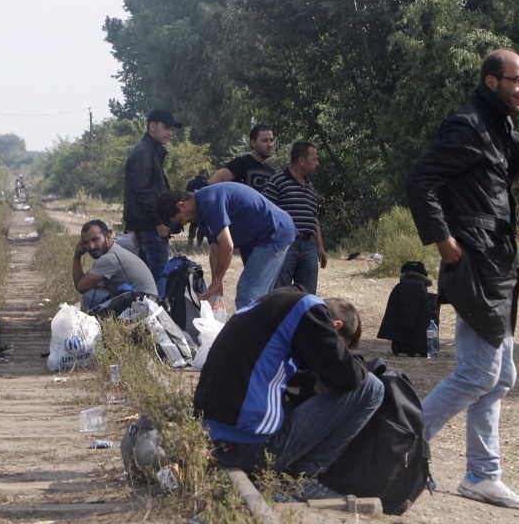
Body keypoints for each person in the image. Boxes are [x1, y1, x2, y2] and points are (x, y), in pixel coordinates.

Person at [405, 49, 519, 511]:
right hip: (476, 262)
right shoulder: (470, 123)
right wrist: (444, 241)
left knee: (500, 377)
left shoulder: (499, 125)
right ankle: (398, 447)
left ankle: (482, 473)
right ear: (491, 81)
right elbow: (419, 180)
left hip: (499, 264)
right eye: (517, 80)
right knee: (480, 371)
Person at [193, 285, 383, 499]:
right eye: (341, 345)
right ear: (334, 326)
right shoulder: (310, 311)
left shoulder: (266, 306)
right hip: (250, 450)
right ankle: (300, 479)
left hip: (210, 437)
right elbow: (351, 378)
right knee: (372, 387)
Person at [156, 182, 296, 310]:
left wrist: (218, 279)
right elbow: (215, 249)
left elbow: (227, 246)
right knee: (259, 298)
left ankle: (249, 336)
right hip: (261, 237)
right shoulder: (201, 211)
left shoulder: (209, 201)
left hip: (273, 233)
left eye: (180, 219)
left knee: (248, 293)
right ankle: (264, 335)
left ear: (181, 205)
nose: (184, 223)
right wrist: (216, 281)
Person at [123, 108, 182, 283]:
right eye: (166, 127)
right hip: (151, 227)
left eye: (171, 129)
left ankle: (146, 308)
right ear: (152, 126)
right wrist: (159, 221)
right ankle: (157, 310)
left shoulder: (150, 150)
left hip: (149, 226)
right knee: (159, 277)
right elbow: (142, 191)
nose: (170, 133)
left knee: (146, 277)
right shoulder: (143, 152)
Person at [263, 140, 327, 294]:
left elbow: (313, 218)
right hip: (285, 245)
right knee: (281, 293)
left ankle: (304, 319)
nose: (317, 163)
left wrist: (319, 246)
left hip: (308, 247)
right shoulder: (277, 182)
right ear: (301, 160)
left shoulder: (309, 186)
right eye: (314, 159)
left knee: (307, 296)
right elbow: (265, 214)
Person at [72, 220, 158, 310]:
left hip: (143, 308)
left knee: (89, 296)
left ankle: (89, 324)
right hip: (145, 302)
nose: (91, 246)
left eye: (95, 240)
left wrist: (77, 258)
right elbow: (81, 283)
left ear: (108, 237)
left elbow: (81, 287)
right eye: (86, 243)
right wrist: (77, 257)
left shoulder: (109, 259)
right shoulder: (114, 252)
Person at [208, 123, 276, 192]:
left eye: (271, 140)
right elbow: (214, 181)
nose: (269, 144)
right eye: (265, 140)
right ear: (253, 143)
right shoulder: (241, 163)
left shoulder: (271, 171)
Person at [185, 169, 210, 247]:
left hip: (192, 205)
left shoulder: (191, 183)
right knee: (202, 224)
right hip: (203, 206)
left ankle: (190, 239)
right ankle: (199, 242)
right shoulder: (207, 184)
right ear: (205, 174)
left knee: (193, 223)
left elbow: (186, 194)